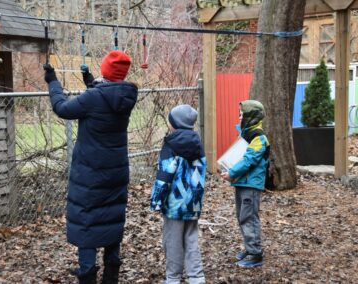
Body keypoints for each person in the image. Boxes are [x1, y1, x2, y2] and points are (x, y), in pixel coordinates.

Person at [43, 50, 138, 284]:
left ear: (106, 70)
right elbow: (104, 98)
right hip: (115, 172)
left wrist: (53, 82)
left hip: (90, 174)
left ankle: (87, 275)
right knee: (111, 219)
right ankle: (111, 277)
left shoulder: (94, 98)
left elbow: (63, 109)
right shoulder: (125, 96)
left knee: (87, 223)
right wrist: (90, 80)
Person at [150, 104, 207, 284]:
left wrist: (156, 200)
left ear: (175, 123)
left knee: (173, 240)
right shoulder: (198, 143)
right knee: (191, 238)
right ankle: (196, 277)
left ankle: (173, 278)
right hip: (193, 202)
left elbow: (165, 176)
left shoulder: (170, 144)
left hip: (174, 203)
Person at [221, 100, 270, 268]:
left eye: (242, 114)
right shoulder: (246, 134)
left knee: (249, 217)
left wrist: (232, 173)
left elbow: (249, 160)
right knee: (242, 216)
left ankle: (255, 253)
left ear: (251, 116)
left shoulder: (259, 138)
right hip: (242, 183)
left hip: (251, 185)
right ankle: (250, 249)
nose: (239, 117)